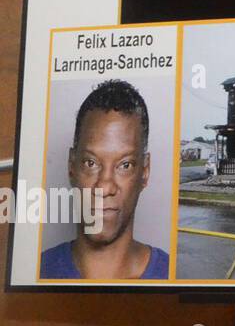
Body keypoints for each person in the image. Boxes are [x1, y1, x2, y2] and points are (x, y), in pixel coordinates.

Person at [41, 79, 170, 280]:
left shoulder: (174, 275)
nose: (104, 186)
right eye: (91, 163)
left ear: (145, 172)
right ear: (71, 166)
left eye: (124, 165)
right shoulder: (37, 270)